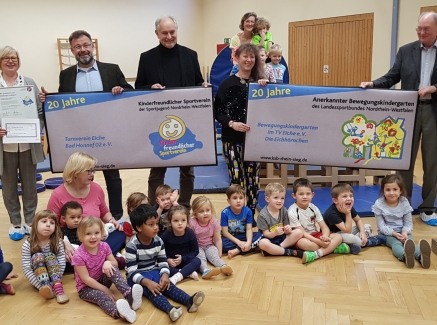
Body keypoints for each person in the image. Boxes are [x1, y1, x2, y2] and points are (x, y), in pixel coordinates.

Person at [39, 30, 132, 220]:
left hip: (108, 134)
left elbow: (130, 92)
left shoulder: (112, 69)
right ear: (72, 50)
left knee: (112, 176)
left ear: (92, 46)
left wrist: (121, 89)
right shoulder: (65, 75)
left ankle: (115, 216)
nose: (83, 50)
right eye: (77, 47)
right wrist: (47, 99)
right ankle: (78, 217)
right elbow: (63, 103)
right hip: (80, 135)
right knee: (78, 175)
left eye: (85, 45)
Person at [360, 12, 437, 226]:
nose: (422, 33)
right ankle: (402, 204)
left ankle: (428, 208)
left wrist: (434, 88)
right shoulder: (406, 50)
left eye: (427, 29)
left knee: (432, 163)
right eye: (419, 29)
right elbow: (392, 76)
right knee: (404, 160)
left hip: (433, 111)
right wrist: (373, 84)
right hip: (408, 112)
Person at [135, 15, 209, 209]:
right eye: (164, 33)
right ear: (157, 34)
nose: (169, 36)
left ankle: (184, 205)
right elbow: (138, 86)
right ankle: (154, 208)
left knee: (187, 170)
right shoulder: (146, 57)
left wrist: (204, 86)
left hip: (187, 123)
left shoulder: (190, 55)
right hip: (159, 124)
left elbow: (197, 82)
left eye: (172, 32)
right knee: (157, 171)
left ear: (177, 31)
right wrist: (149, 87)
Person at [214, 43, 268, 220]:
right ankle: (237, 215)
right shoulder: (227, 83)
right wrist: (231, 123)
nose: (249, 60)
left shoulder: (261, 84)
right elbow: (218, 111)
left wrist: (265, 87)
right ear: (237, 58)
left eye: (252, 57)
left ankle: (250, 215)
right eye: (245, 56)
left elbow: (273, 107)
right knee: (237, 179)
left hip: (254, 141)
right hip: (232, 139)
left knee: (253, 179)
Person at [125, 204, 205, 322]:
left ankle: (189, 301)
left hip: (154, 271)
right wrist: (147, 283)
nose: (156, 227)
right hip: (137, 277)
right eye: (151, 225)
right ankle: (170, 309)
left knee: (168, 286)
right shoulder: (131, 245)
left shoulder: (159, 241)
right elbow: (131, 271)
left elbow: (162, 261)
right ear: (139, 227)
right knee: (154, 291)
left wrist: (165, 275)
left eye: (156, 223)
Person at [0, 45, 45, 241]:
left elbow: (40, 111)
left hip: (28, 144)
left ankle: (29, 221)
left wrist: (42, 103)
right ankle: (16, 223)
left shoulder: (28, 83)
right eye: (6, 58)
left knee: (30, 186)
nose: (11, 61)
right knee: (9, 187)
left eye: (14, 57)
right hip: (5, 147)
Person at [47, 152, 126, 260]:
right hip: (71, 240)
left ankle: (90, 259)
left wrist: (111, 220)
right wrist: (63, 243)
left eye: (93, 170)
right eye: (89, 171)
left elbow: (104, 212)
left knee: (120, 233)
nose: (92, 174)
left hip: (94, 237)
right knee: (55, 253)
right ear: (76, 172)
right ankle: (102, 257)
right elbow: (50, 223)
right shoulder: (57, 194)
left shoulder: (97, 188)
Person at [72, 216, 143, 323]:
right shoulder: (78, 255)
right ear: (81, 236)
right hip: (86, 288)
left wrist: (107, 262)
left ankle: (129, 296)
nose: (93, 237)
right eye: (88, 234)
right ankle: (119, 313)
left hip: (102, 279)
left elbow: (115, 263)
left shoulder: (104, 246)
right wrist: (105, 290)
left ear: (102, 233)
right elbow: (86, 279)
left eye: (96, 233)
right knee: (102, 296)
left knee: (112, 268)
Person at [288, 178, 359, 264]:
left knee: (338, 237)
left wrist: (325, 236)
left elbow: (324, 226)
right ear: (294, 196)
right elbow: (302, 232)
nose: (305, 196)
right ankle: (334, 248)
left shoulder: (313, 207)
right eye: (301, 194)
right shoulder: (292, 211)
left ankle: (317, 253)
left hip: (315, 234)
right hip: (302, 237)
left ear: (312, 195)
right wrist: (319, 242)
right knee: (304, 244)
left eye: (308, 194)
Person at [372, 174, 431, 268]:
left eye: (395, 189)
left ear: (400, 191)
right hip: (387, 233)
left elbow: (408, 222)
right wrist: (394, 233)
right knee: (396, 244)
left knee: (410, 243)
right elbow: (381, 226)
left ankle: (421, 256)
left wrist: (405, 233)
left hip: (403, 231)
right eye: (388, 190)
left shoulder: (404, 202)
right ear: (383, 190)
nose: (391, 193)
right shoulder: (379, 204)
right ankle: (405, 257)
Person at [21, 210, 69, 303]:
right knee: (37, 256)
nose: (48, 225)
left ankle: (59, 290)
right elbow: (26, 268)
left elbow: (61, 261)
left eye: (52, 223)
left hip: (55, 276)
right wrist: (40, 286)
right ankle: (47, 288)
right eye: (44, 221)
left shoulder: (57, 241)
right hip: (39, 278)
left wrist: (57, 281)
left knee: (50, 256)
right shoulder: (28, 244)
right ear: (35, 224)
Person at [323, 184, 381, 254]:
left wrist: (362, 232)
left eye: (351, 196)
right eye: (344, 196)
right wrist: (348, 214)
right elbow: (348, 231)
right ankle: (368, 242)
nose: (349, 198)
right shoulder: (331, 213)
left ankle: (351, 245)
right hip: (335, 236)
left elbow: (358, 220)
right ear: (335, 200)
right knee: (353, 238)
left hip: (345, 232)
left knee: (368, 227)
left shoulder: (348, 207)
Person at [257, 182, 306, 259]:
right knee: (262, 243)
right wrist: (274, 233)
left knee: (299, 232)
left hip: (282, 239)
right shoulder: (263, 215)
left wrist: (288, 230)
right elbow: (265, 234)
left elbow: (286, 227)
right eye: (276, 198)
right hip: (270, 239)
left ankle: (275, 250)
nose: (279, 201)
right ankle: (289, 252)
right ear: (267, 199)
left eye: (282, 198)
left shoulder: (284, 210)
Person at [190, 196, 233, 279]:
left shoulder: (214, 222)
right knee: (201, 258)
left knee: (214, 257)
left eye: (207, 210)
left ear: (211, 210)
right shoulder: (192, 223)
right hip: (197, 247)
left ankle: (224, 267)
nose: (205, 213)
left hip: (210, 245)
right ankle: (205, 270)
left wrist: (219, 252)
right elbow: (190, 239)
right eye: (201, 211)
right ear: (195, 214)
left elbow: (217, 239)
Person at [160, 205, 201, 285]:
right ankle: (187, 273)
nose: (180, 223)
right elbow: (160, 252)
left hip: (185, 260)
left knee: (197, 261)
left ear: (187, 221)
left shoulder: (190, 233)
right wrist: (167, 259)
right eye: (175, 221)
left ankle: (177, 277)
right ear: (170, 222)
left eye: (183, 220)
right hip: (171, 263)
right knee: (160, 268)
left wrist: (183, 258)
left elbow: (195, 251)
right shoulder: (166, 235)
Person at [221, 184, 262, 259]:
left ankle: (238, 250)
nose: (238, 201)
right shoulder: (225, 213)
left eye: (241, 198)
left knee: (260, 235)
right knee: (221, 244)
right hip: (231, 238)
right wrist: (238, 242)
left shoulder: (248, 211)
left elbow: (249, 229)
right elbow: (225, 233)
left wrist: (249, 242)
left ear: (245, 199)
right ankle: (249, 247)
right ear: (229, 201)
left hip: (244, 236)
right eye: (235, 198)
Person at [60, 201, 83, 272]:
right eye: (72, 217)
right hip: (70, 259)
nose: (76, 220)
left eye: (79, 217)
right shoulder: (61, 231)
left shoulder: (84, 229)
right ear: (64, 219)